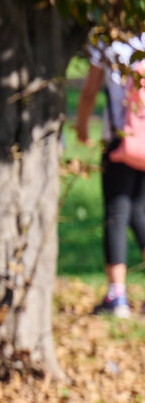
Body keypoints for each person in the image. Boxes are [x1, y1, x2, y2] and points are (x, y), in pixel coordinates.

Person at [74, 30, 145, 317]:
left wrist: (81, 126)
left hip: (122, 138)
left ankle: (117, 296)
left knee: (117, 211)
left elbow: (91, 88)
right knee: (141, 210)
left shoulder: (106, 39)